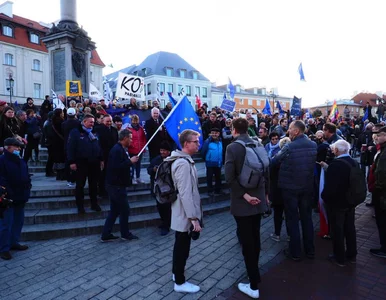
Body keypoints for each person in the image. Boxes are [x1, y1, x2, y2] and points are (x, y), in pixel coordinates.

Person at [225, 118, 269, 299]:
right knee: (255, 238)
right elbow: (268, 171)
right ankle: (255, 275)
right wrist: (266, 195)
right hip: (258, 199)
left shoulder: (232, 147)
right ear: (248, 128)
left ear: (234, 129)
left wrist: (244, 196)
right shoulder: (257, 144)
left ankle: (253, 284)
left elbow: (229, 177)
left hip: (243, 202)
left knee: (246, 242)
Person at [273, 120, 317, 261]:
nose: (288, 131)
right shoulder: (313, 144)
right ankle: (310, 250)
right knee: (306, 219)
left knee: (292, 220)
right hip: (306, 187)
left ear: (297, 131)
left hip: (290, 189)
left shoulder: (289, 147)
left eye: (290, 129)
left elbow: (274, 161)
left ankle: (295, 252)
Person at [170, 129, 202, 294]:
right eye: (195, 141)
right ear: (186, 143)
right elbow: (185, 193)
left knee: (180, 246)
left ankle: (177, 274)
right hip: (184, 215)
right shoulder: (182, 163)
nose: (198, 144)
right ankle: (180, 282)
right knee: (182, 248)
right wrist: (193, 218)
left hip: (183, 213)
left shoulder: (185, 160)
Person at [321, 140, 358, 267]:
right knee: (350, 228)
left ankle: (339, 257)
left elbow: (330, 187)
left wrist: (324, 198)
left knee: (338, 230)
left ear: (337, 150)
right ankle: (352, 254)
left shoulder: (336, 165)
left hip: (338, 203)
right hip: (351, 201)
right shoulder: (354, 162)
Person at [101, 130, 139, 242]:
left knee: (115, 210)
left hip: (116, 185)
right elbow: (116, 167)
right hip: (116, 186)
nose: (131, 141)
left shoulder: (120, 149)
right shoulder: (117, 150)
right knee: (125, 209)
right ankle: (125, 233)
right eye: (130, 138)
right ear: (125, 138)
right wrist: (130, 162)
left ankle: (106, 234)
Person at [0, 138, 31, 260]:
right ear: (8, 148)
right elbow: (2, 179)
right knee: (6, 224)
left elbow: (25, 175)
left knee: (18, 221)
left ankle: (14, 242)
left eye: (19, 147)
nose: (18, 149)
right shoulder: (2, 161)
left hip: (21, 196)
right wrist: (7, 192)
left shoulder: (20, 160)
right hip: (8, 197)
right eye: (16, 147)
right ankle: (4, 248)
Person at [67, 114, 103, 214]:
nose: (92, 124)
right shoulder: (75, 132)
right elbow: (70, 147)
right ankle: (80, 206)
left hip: (94, 162)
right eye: (90, 122)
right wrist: (71, 162)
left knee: (93, 185)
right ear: (84, 122)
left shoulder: (95, 132)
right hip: (81, 162)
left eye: (93, 122)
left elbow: (98, 146)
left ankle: (94, 204)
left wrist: (101, 159)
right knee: (80, 185)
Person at [147, 141, 172, 235]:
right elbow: (149, 170)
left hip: (168, 189)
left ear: (168, 151)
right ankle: (163, 222)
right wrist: (153, 170)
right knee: (160, 206)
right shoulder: (156, 159)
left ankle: (166, 225)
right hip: (157, 188)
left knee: (166, 207)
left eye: (164, 150)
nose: (162, 152)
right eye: (161, 150)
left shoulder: (171, 160)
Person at [370, 126, 386, 258]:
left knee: (382, 220)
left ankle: (384, 248)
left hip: (382, 193)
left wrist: (377, 188)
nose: (377, 137)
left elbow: (381, 173)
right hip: (381, 192)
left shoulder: (384, 153)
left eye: (380, 135)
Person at [95, 114, 118, 197]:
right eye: (107, 121)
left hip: (113, 156)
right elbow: (99, 144)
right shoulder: (98, 129)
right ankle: (102, 191)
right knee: (102, 175)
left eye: (110, 121)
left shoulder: (114, 130)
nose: (109, 123)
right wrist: (101, 158)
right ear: (103, 121)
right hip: (103, 156)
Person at [61, 108, 80, 186]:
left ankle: (69, 179)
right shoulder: (78, 123)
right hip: (77, 145)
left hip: (66, 145)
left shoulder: (63, 124)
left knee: (67, 162)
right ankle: (74, 179)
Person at [201, 128, 223, 196]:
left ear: (218, 134)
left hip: (218, 162)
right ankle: (210, 191)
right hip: (210, 163)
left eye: (216, 133)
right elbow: (203, 152)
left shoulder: (220, 141)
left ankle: (218, 190)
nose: (214, 134)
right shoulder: (207, 141)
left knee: (218, 177)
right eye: (213, 133)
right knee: (209, 177)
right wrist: (207, 159)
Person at [128, 115, 147, 184]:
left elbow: (144, 138)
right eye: (134, 121)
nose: (135, 122)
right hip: (132, 150)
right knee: (132, 164)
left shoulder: (141, 128)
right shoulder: (129, 129)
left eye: (136, 121)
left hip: (140, 149)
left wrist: (143, 147)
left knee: (138, 164)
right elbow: (128, 139)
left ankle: (138, 177)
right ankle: (132, 177)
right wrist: (132, 145)